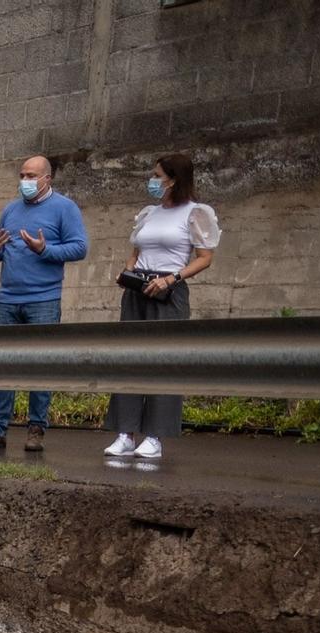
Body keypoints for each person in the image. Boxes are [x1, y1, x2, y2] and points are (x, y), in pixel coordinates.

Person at [104, 153, 220, 462]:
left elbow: (204, 257)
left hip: (168, 290)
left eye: (158, 176)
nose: (153, 181)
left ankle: (154, 436)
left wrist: (172, 279)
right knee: (128, 358)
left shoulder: (196, 213)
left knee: (162, 360)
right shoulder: (149, 213)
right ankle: (125, 433)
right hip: (137, 289)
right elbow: (136, 251)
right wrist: (126, 273)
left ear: (174, 179)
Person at [0, 155, 87, 452]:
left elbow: (80, 248)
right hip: (7, 298)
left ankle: (36, 429)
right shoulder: (11, 209)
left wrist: (45, 248)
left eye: (31, 176)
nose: (25, 181)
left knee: (41, 364)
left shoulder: (64, 208)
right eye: (22, 175)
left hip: (43, 299)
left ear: (47, 178)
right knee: (3, 365)